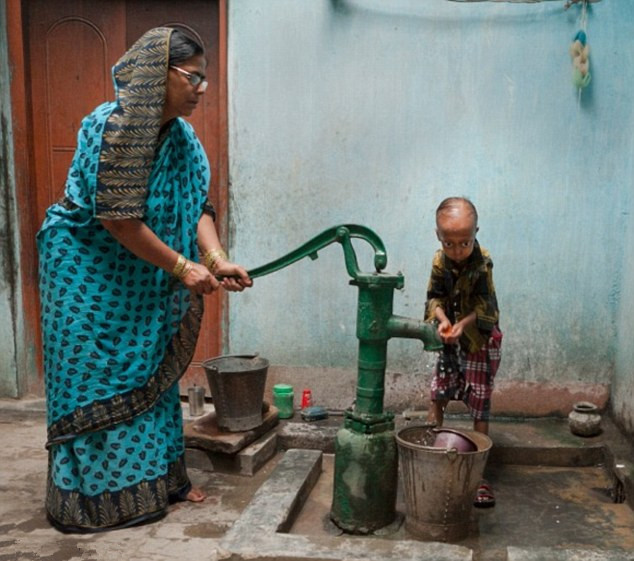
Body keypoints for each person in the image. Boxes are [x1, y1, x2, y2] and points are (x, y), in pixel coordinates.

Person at [37, 27, 252, 533]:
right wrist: (183, 267)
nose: (201, 89)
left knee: (151, 375)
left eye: (204, 79)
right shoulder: (115, 129)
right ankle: (94, 500)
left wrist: (216, 258)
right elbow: (117, 220)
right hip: (86, 272)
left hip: (141, 276)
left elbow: (196, 205)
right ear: (160, 75)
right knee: (94, 377)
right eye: (192, 77)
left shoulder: (181, 138)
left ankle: (158, 484)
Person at [424, 196, 503, 508]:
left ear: (476, 233)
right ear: (438, 237)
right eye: (449, 243)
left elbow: (488, 309)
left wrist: (464, 324)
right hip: (451, 335)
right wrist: (444, 322)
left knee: (479, 400)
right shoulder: (439, 262)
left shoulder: (482, 262)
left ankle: (478, 473)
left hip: (480, 339)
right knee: (438, 390)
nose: (457, 251)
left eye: (464, 243)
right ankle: (431, 455)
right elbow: (434, 299)